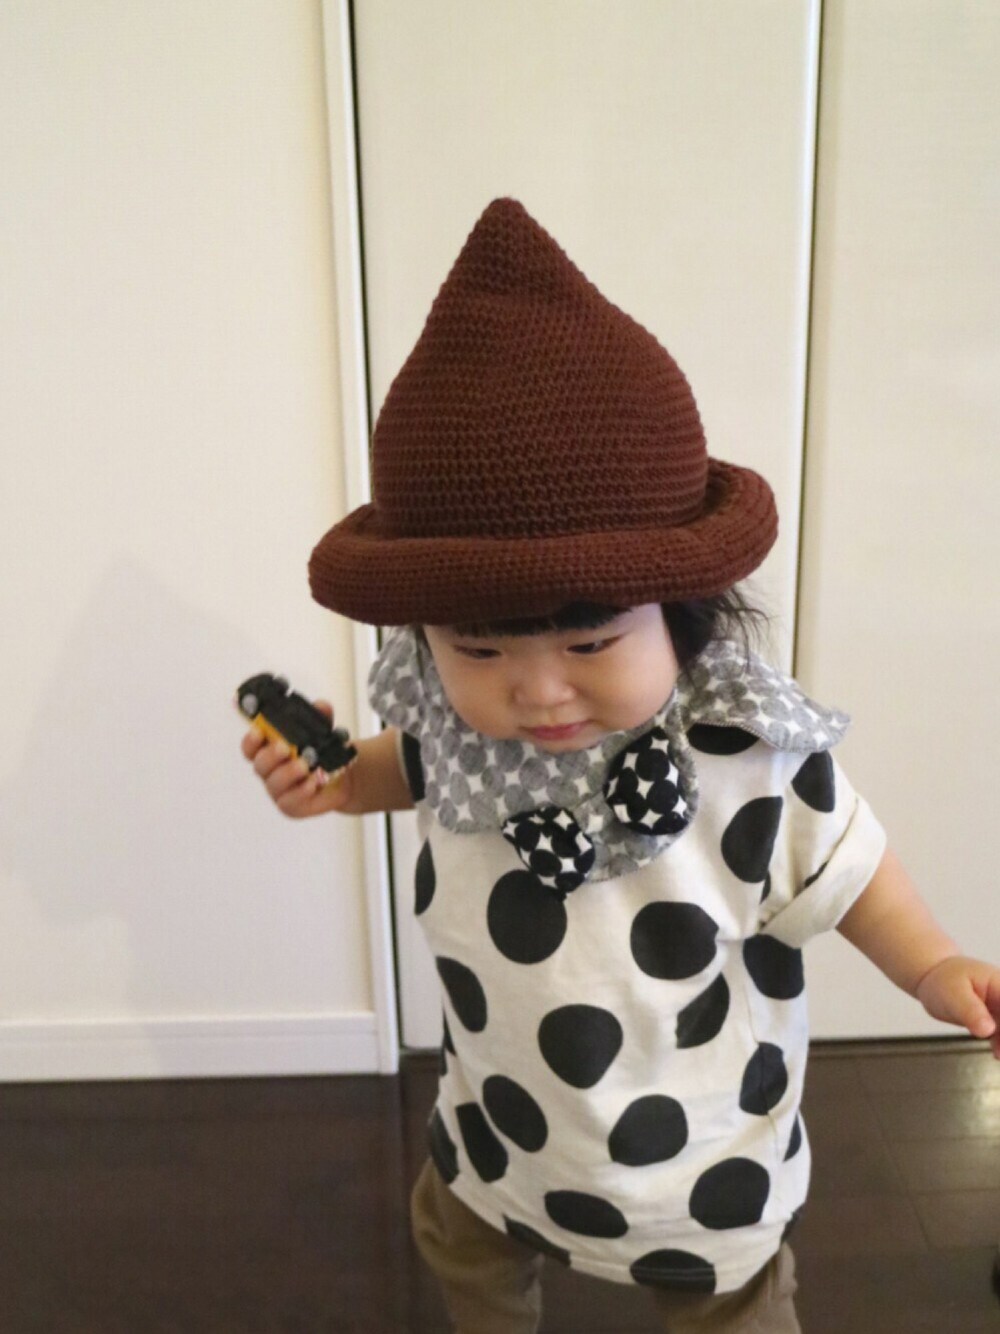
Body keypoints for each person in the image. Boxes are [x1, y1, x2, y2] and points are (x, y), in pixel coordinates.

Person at [241, 198, 1000, 1334]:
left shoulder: (745, 754)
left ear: (682, 611)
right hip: (502, 1122)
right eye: (480, 650)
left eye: (591, 645)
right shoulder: (460, 727)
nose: (538, 692)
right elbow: (407, 765)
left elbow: (850, 870)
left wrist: (932, 963)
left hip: (697, 1156)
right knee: (461, 1238)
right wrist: (338, 780)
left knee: (731, 1309)